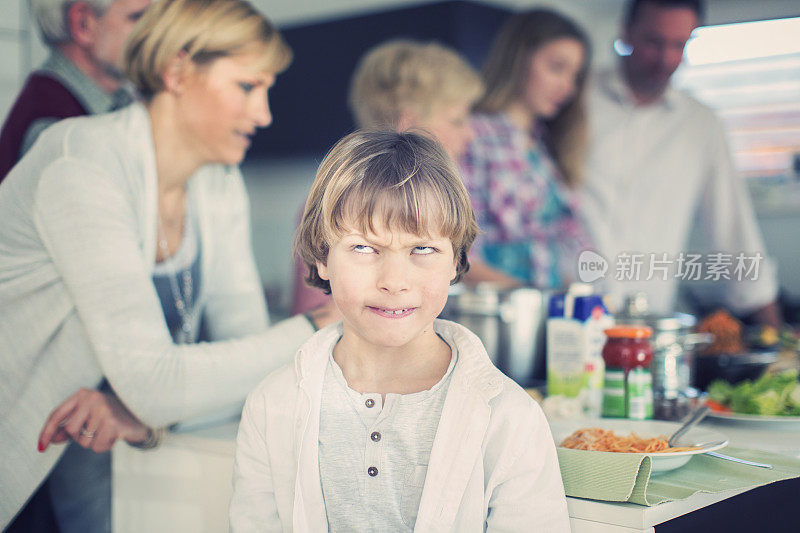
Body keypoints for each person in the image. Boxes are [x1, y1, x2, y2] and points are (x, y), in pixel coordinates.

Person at [0, 0, 333, 529]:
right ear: (176, 72)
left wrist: (140, 408)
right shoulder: (80, 166)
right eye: (248, 87)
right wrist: (315, 328)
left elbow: (252, 369)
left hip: (89, 467)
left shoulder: (216, 183)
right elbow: (157, 382)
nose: (264, 114)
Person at [229, 130, 570, 531]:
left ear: (457, 260)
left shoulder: (511, 419)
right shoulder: (272, 406)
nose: (394, 281)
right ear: (323, 255)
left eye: (422, 249)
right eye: (364, 248)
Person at [580, 0, 780, 324]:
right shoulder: (573, 98)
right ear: (626, 31)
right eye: (654, 42)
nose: (667, 59)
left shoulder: (702, 125)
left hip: (646, 328)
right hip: (565, 321)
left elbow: (733, 227)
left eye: (680, 45)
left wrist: (773, 332)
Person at [290, 39, 484, 314]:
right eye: (456, 120)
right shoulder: (332, 206)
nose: (470, 134)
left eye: (421, 249)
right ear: (407, 125)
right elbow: (313, 321)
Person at [459, 9, 594, 290]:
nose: (567, 87)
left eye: (575, 76)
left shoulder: (545, 147)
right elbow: (461, 252)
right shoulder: (473, 135)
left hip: (549, 315)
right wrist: (532, 298)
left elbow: (559, 249)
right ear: (518, 58)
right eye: (557, 67)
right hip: (500, 315)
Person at [0, 0, 151, 181]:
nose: (152, 32)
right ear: (83, 24)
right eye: (137, 17)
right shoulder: (56, 131)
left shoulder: (114, 101)